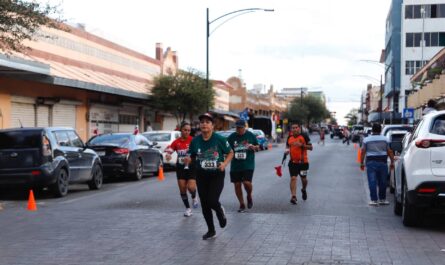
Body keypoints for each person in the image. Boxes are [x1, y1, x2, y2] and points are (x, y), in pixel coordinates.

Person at [185, 113, 234, 240]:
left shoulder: (219, 139)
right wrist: (188, 160)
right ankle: (211, 231)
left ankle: (220, 211)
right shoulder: (195, 141)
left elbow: (230, 153)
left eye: (207, 122)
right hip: (201, 175)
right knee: (205, 204)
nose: (204, 124)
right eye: (202, 122)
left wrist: (224, 163)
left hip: (216, 174)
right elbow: (191, 156)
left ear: (212, 126)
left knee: (212, 200)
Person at [165, 122, 198, 217]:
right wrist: (168, 155)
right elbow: (170, 151)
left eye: (189, 130)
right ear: (181, 130)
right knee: (182, 189)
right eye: (185, 130)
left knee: (191, 187)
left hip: (191, 167)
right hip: (180, 168)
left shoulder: (193, 140)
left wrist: (192, 158)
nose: (187, 132)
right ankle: (188, 209)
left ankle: (194, 196)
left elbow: (198, 153)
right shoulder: (176, 142)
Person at [227, 120, 259, 213]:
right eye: (237, 127)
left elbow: (258, 146)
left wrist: (254, 147)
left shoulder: (250, 135)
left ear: (244, 127)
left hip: (248, 164)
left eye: (240, 127)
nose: (238, 129)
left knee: (246, 183)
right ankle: (241, 204)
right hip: (235, 165)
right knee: (237, 185)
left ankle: (249, 195)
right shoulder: (232, 137)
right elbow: (226, 148)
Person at [360, 123, 395, 206]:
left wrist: (361, 163)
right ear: (380, 130)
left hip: (371, 162)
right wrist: (392, 162)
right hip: (383, 162)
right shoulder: (385, 139)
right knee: (382, 182)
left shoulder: (366, 140)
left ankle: (374, 200)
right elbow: (389, 151)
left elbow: (363, 152)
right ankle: (382, 199)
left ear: (372, 130)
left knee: (372, 181)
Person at [285, 123, 313, 204]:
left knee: (303, 179)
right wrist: (286, 151)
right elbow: (287, 147)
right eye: (293, 128)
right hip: (293, 162)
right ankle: (293, 196)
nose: (294, 129)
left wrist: (302, 145)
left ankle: (303, 189)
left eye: (296, 127)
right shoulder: (289, 137)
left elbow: (311, 147)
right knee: (293, 178)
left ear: (299, 128)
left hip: (303, 163)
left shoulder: (304, 136)